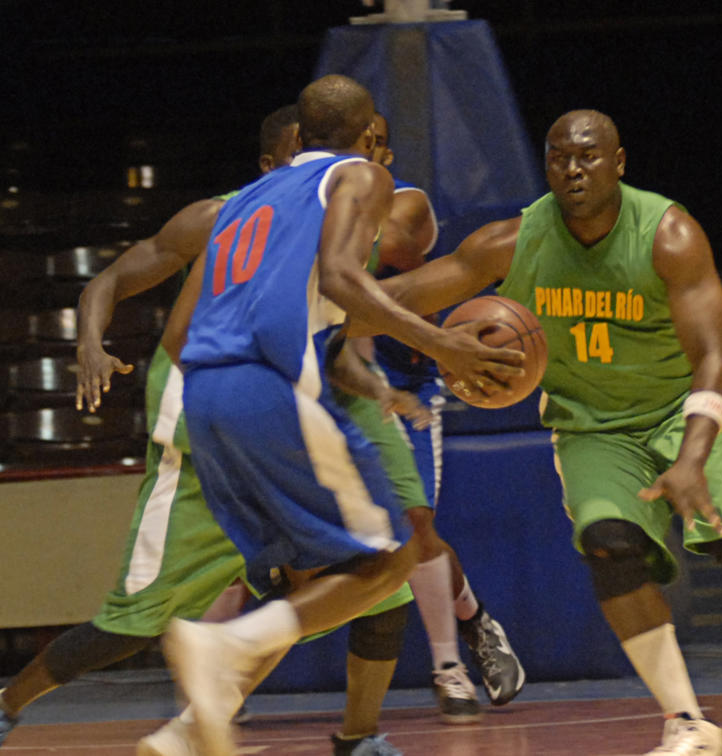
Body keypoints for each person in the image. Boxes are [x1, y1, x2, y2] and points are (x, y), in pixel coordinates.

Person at [364, 109, 722, 756]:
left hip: (682, 409)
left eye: (588, 156)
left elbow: (715, 360)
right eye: (559, 157)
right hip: (591, 425)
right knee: (610, 550)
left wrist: (693, 454)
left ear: (619, 162)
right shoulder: (517, 239)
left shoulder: (668, 234)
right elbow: (407, 294)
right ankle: (687, 721)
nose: (573, 168)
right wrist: (332, 303)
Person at [0, 104, 423, 756]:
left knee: (370, 588)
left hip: (272, 426)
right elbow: (112, 279)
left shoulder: (340, 212)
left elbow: (336, 317)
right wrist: (90, 338)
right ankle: (9, 704)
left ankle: (353, 736)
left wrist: (378, 382)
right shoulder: (224, 216)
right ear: (268, 165)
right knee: (129, 629)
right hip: (204, 444)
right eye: (290, 158)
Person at [159, 74, 522, 756]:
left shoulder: (245, 201)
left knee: (313, 584)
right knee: (389, 561)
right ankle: (221, 647)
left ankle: (185, 732)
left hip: (203, 399)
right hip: (271, 392)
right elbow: (340, 278)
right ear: (365, 137)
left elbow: (178, 337)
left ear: (296, 137)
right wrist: (440, 341)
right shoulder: (361, 176)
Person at [355, 111, 526, 723]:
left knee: (414, 525)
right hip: (323, 382)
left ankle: (453, 659)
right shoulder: (310, 209)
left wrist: (314, 232)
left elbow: (389, 247)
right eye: (352, 143)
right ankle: (214, 686)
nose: (363, 152)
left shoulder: (407, 206)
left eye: (374, 142)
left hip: (404, 385)